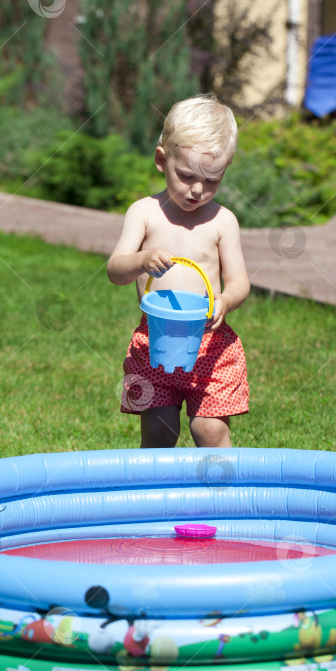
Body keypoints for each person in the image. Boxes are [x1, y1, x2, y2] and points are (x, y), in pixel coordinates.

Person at [107, 94, 250, 448]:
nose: (198, 190)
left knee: (210, 429)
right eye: (186, 176)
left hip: (209, 344)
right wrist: (141, 260)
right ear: (161, 159)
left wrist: (227, 299)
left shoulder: (222, 221)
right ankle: (154, 502)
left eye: (212, 180)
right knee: (158, 431)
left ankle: (223, 498)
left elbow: (239, 280)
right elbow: (115, 269)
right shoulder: (144, 213)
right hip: (156, 342)